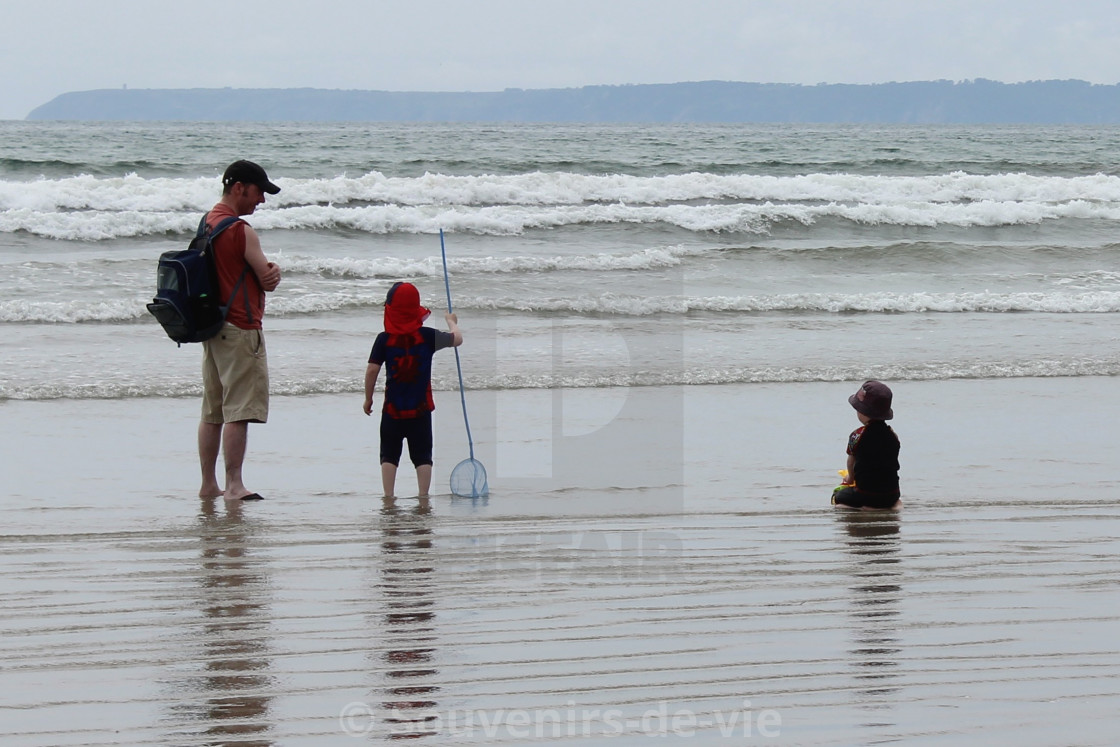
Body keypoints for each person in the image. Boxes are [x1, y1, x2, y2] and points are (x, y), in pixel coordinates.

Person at [198, 160, 283, 502]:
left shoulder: (208, 222)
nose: (260, 200)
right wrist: (275, 271)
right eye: (258, 191)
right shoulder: (240, 229)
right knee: (239, 410)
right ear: (239, 188)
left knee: (212, 411)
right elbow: (267, 279)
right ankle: (234, 484)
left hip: (212, 327)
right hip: (241, 326)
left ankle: (208, 485)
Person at [363, 282, 463, 498]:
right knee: (422, 455)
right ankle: (423, 497)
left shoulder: (384, 340)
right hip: (421, 410)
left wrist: (368, 399)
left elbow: (372, 370)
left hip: (392, 411)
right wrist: (451, 323)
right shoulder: (427, 336)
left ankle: (389, 497)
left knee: (389, 454)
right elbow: (458, 339)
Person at [832, 380, 901, 510]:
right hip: (891, 494)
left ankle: (865, 508)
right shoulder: (893, 435)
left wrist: (850, 478)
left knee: (838, 497)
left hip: (865, 494)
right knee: (891, 499)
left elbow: (851, 461)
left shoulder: (857, 435)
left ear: (863, 411)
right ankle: (895, 505)